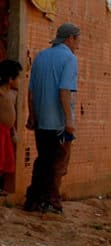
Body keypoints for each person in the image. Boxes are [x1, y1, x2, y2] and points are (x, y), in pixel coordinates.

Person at [24, 23, 80, 214]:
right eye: (77, 39)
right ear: (70, 38)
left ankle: (33, 200)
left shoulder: (41, 57)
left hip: (41, 120)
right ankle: (51, 201)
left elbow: (30, 91)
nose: (78, 44)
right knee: (56, 163)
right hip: (58, 122)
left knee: (44, 160)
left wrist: (32, 115)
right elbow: (64, 91)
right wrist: (69, 121)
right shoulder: (69, 59)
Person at [0, 60, 21, 196]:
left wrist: (13, 132)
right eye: (17, 77)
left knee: (5, 158)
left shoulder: (13, 94)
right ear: (10, 79)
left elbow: (12, 115)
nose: (19, 80)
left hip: (7, 132)